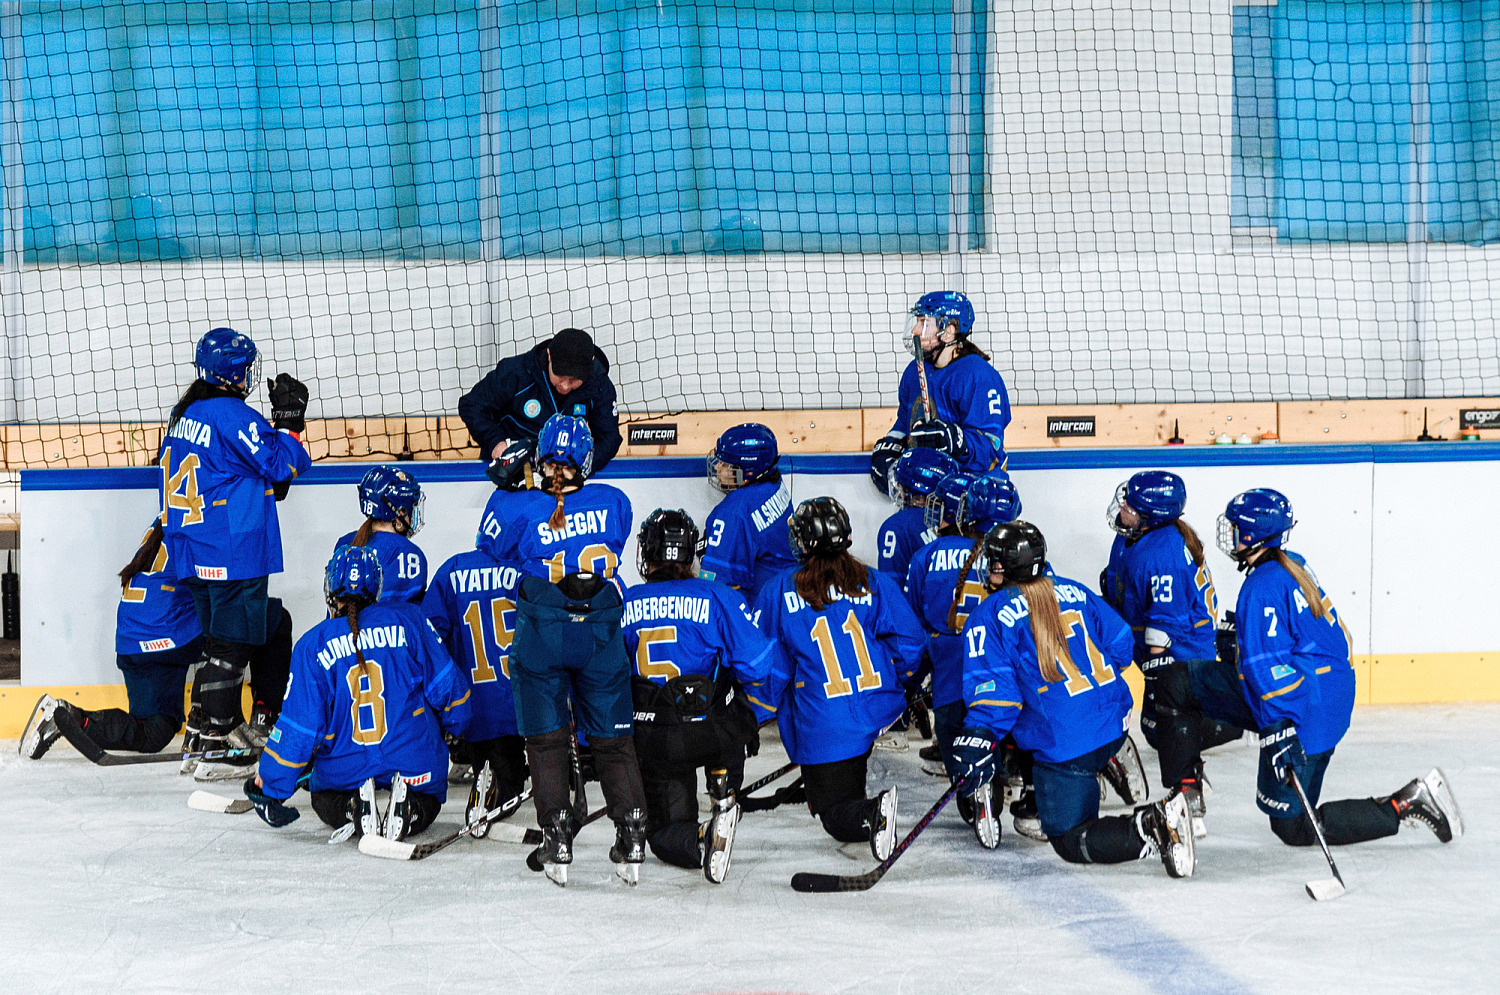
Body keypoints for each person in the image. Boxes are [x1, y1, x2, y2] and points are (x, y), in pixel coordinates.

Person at [1150, 488, 1462, 849]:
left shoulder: (1259, 588)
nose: (1229, 532)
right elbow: (1323, 639)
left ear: (1252, 535)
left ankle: (1405, 804)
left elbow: (1265, 668)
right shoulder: (1293, 562)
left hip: (1299, 709)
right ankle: (1187, 795)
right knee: (1179, 682)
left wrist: (1281, 726)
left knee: (1294, 827)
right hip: (1327, 696)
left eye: (1236, 527)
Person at [952, 521, 1198, 874]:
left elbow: (997, 699)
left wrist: (978, 736)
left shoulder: (988, 616)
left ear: (1003, 567)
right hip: (1113, 719)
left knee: (1070, 838)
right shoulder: (1074, 590)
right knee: (1036, 719)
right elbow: (1121, 645)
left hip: (1068, 742)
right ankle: (1106, 760)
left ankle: (1153, 825)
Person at [484, 414, 645, 886]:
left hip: (542, 633)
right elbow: (604, 534)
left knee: (547, 741)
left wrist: (512, 488)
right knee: (615, 742)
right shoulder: (616, 501)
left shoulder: (514, 507)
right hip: (599, 635)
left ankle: (556, 838)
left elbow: (493, 550)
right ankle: (632, 836)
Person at [159, 326, 310, 781]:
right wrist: (289, 423)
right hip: (230, 547)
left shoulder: (186, 414)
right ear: (237, 372)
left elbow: (252, 473)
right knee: (232, 645)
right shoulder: (230, 415)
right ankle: (216, 744)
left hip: (192, 546)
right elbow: (282, 464)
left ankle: (200, 731)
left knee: (222, 640)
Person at [245, 545, 474, 840]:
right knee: (430, 797)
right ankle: (411, 809)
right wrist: (456, 729)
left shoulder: (312, 644)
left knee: (323, 797)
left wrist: (272, 785)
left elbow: (300, 728)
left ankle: (355, 808)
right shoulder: (410, 620)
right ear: (376, 586)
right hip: (414, 762)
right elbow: (449, 688)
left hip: (345, 768)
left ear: (330, 588)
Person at [752, 497, 927, 862]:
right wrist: (902, 685)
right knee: (841, 779)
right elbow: (911, 644)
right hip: (880, 709)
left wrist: (755, 714)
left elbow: (768, 667)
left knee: (835, 816)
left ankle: (871, 813)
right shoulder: (871, 580)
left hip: (826, 723)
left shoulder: (778, 591)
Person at [621, 509, 774, 882]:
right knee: (732, 702)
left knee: (664, 834)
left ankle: (702, 836)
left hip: (659, 741)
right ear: (691, 554)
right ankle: (724, 785)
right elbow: (757, 665)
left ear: (647, 554)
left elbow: (609, 678)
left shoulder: (625, 602)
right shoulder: (719, 596)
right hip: (714, 732)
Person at [1100, 470, 1236, 829]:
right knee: (1156, 727)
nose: (1123, 507)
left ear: (1151, 515)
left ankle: (1189, 790)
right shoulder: (1136, 536)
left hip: (1183, 655)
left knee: (1164, 726)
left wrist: (1157, 671)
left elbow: (1165, 623)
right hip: (1152, 645)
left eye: (1130, 504)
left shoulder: (1162, 553)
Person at [904, 475, 1020, 803]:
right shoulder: (1021, 556)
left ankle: (979, 795)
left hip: (953, 670)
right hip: (1007, 672)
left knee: (958, 743)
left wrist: (909, 682)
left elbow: (912, 627)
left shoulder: (928, 555)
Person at [423, 524, 526, 837]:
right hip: (518, 709)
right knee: (510, 787)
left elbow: (429, 637)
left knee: (489, 762)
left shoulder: (454, 568)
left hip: (470, 709)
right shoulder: (528, 570)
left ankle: (475, 767)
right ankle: (491, 790)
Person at [869, 291, 1011, 493]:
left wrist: (956, 441)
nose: (916, 330)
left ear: (949, 331)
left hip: (976, 496)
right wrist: (892, 445)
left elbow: (991, 448)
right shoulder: (915, 371)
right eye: (916, 322)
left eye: (924, 322)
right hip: (930, 492)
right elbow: (906, 421)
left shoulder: (979, 376)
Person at [458, 328, 623, 486]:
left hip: (566, 478)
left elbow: (609, 438)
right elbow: (471, 405)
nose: (565, 386)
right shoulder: (516, 372)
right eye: (560, 375)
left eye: (573, 380)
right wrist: (495, 442)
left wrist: (583, 467)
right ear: (549, 355)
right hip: (510, 472)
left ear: (590, 363)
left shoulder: (599, 386)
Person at [699, 423, 797, 600]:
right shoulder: (773, 482)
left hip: (765, 608)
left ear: (747, 473)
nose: (716, 468)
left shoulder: (732, 513)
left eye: (725, 464)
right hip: (790, 593)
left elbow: (720, 587)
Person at [335, 465, 428, 604]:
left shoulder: (344, 544)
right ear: (401, 513)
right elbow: (412, 616)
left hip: (344, 626)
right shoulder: (411, 553)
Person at [875, 447, 957, 582]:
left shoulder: (896, 526)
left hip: (913, 602)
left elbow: (892, 589)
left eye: (901, 488)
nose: (900, 492)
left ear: (919, 497)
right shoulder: (964, 522)